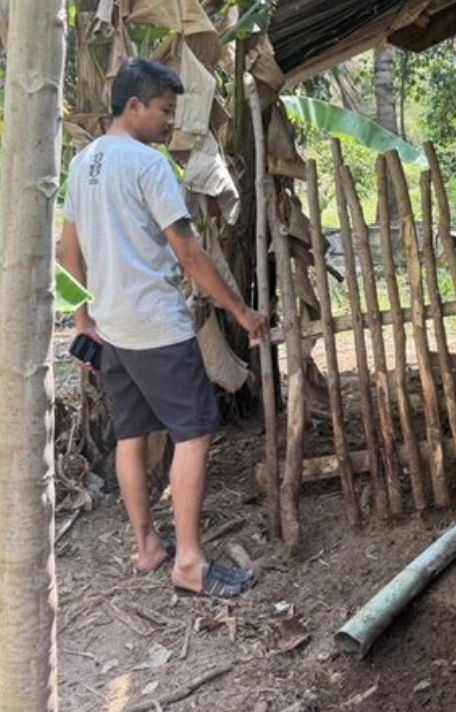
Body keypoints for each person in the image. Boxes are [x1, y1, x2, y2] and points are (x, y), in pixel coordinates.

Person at [61, 58, 266, 598]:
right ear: (135, 105)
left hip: (111, 328)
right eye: (165, 112)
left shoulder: (82, 164)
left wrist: (86, 319)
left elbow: (69, 250)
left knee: (132, 434)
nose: (170, 124)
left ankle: (148, 545)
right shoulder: (149, 167)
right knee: (193, 433)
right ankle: (190, 563)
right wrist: (241, 313)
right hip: (155, 324)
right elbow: (188, 251)